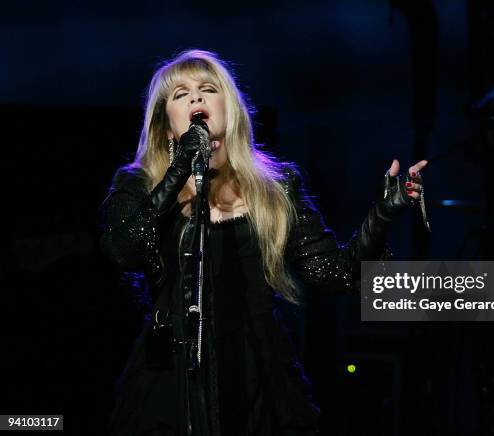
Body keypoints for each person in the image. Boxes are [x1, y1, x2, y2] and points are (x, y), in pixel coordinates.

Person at [100, 49, 428, 436]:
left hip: (259, 374)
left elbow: (334, 274)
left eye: (208, 88)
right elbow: (124, 250)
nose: (195, 98)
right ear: (168, 125)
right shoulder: (139, 185)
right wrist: (178, 173)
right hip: (171, 377)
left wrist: (383, 215)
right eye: (180, 94)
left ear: (230, 109)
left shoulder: (275, 189)